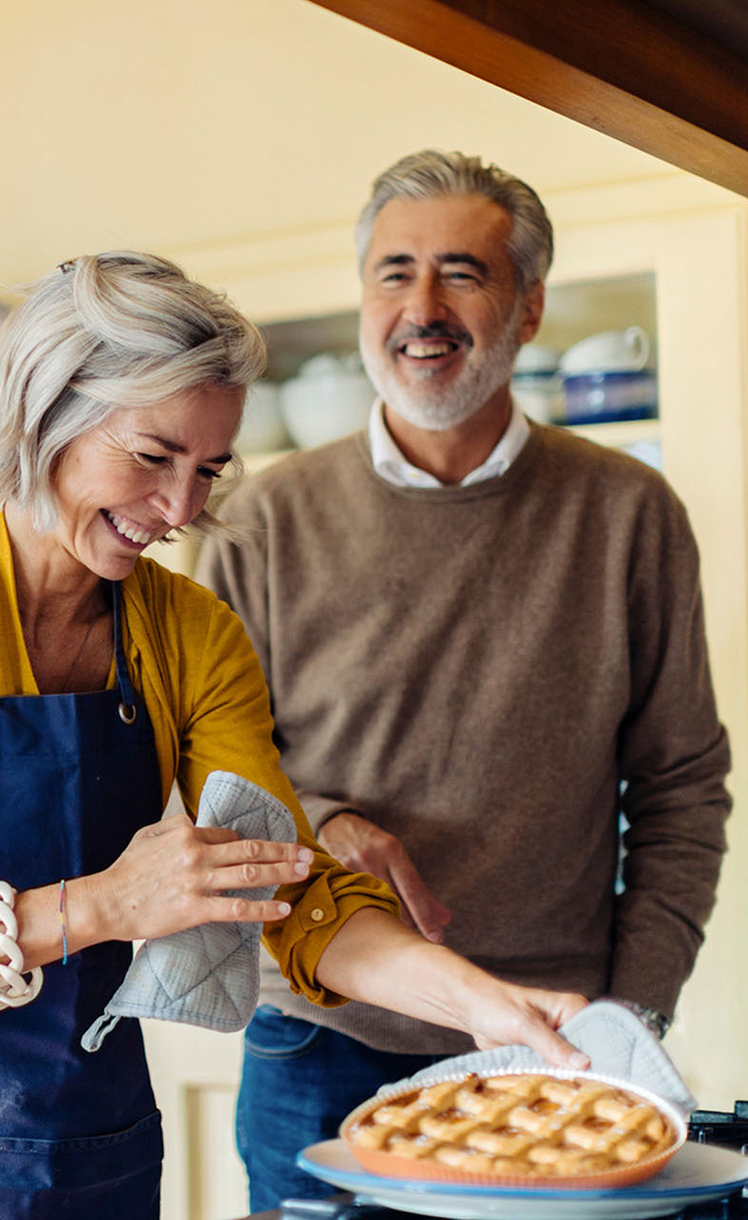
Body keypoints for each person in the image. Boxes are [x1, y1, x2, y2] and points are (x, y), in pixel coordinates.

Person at [0, 251, 591, 1220]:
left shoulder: (190, 633)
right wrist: (105, 903)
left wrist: (480, 1003)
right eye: (152, 457)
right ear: (44, 411)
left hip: (84, 1138)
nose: (182, 509)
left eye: (208, 469)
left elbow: (284, 883)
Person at [196, 152, 733, 1210]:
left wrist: (629, 1010)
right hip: (316, 1036)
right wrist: (328, 824)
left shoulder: (628, 513)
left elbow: (680, 788)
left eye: (461, 274)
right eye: (393, 272)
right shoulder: (260, 519)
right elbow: (209, 785)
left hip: (555, 1041)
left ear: (529, 307)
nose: (421, 308)